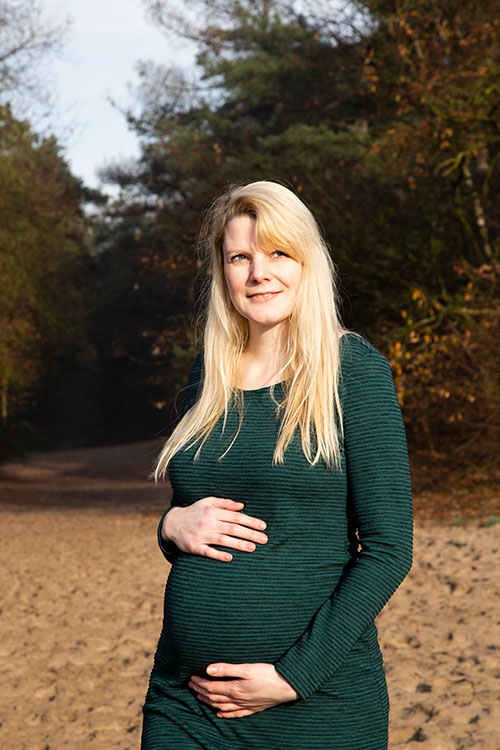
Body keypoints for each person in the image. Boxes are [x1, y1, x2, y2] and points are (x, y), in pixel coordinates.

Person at [141, 180, 413, 750]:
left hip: (317, 705)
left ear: (307, 262)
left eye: (278, 254)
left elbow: (389, 548)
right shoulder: (207, 374)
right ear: (223, 271)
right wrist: (170, 527)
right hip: (185, 702)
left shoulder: (353, 372)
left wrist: (293, 676)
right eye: (240, 257)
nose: (258, 273)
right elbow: (192, 507)